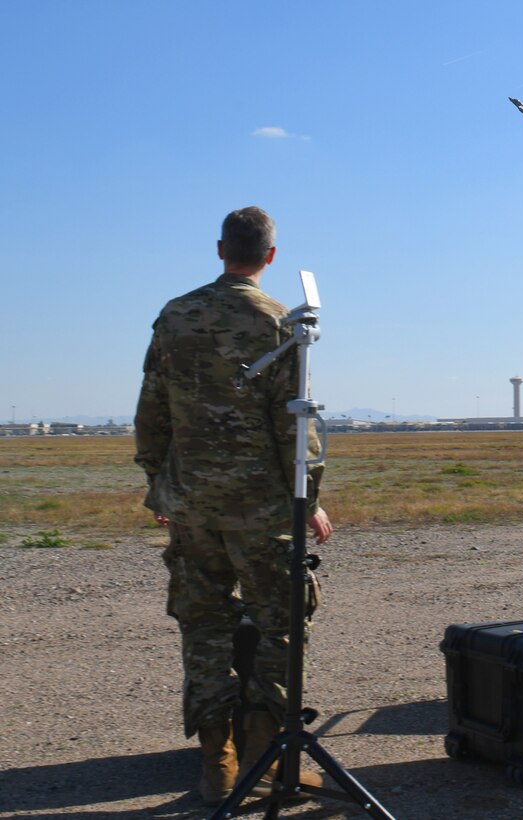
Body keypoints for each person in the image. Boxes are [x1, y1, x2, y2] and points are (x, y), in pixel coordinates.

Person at [134, 206, 333, 805]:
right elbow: (296, 430)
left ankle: (216, 766)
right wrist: (308, 502)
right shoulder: (280, 323)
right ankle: (264, 754)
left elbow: (152, 413)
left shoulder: (175, 316)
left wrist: (161, 486)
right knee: (280, 625)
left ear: (221, 249)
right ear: (269, 257)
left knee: (204, 628)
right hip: (263, 511)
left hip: (192, 507)